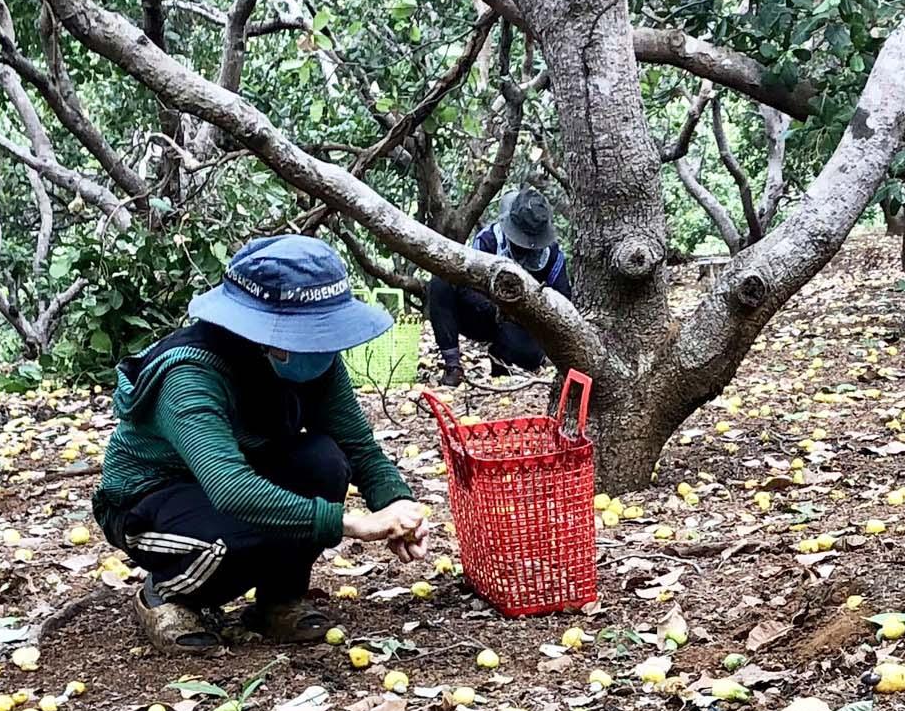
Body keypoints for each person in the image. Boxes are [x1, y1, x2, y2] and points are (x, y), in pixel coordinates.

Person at [94, 234, 433, 653]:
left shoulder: (312, 361)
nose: (322, 346)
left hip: (243, 476)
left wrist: (398, 506)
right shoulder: (189, 376)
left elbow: (358, 447)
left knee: (324, 462)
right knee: (240, 531)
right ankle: (168, 593)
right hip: (152, 503)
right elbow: (232, 489)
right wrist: (351, 524)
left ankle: (279, 601)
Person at [427, 188, 570, 384]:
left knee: (529, 356)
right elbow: (468, 284)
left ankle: (501, 359)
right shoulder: (488, 241)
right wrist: (497, 309)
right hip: (485, 313)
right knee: (441, 282)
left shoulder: (552, 257)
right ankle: (453, 366)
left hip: (523, 323)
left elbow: (563, 301)